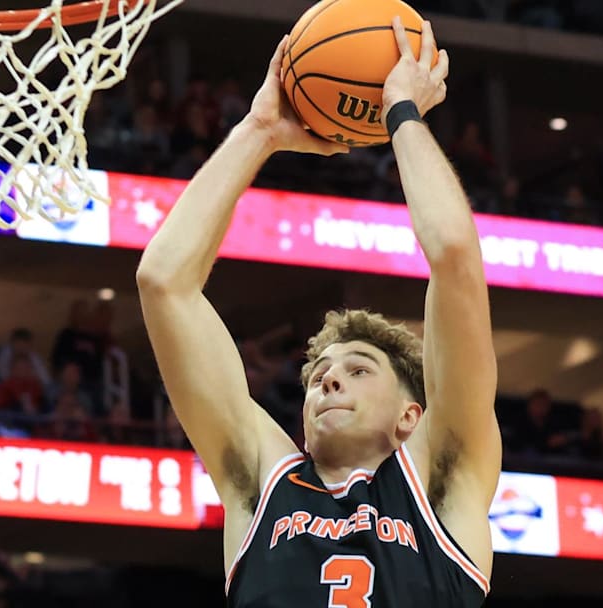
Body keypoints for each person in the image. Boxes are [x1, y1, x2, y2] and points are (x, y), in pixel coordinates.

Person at [137, 18, 499, 607]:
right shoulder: (263, 484)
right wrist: (258, 132)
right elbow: (163, 282)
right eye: (318, 376)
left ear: (412, 416)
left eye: (358, 370)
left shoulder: (441, 479)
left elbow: (455, 256)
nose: (327, 378)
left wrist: (401, 112)